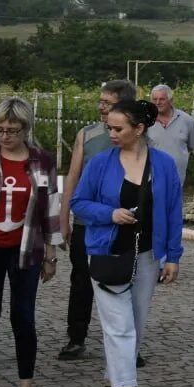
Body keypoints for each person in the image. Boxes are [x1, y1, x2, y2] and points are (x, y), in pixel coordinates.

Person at [70, 99, 183, 387]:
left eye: (118, 128)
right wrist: (109, 214)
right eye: (109, 127)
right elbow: (79, 202)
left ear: (139, 129)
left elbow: (174, 210)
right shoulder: (101, 163)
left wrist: (173, 255)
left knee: (135, 324)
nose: (112, 133)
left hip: (147, 255)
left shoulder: (163, 165)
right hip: (107, 254)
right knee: (119, 327)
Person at [58, 79, 136, 361]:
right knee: (81, 281)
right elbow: (73, 176)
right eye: (100, 102)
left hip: (124, 224)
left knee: (123, 283)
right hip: (86, 222)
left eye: (108, 102)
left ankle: (126, 343)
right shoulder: (87, 135)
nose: (101, 107)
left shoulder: (139, 137)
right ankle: (76, 337)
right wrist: (64, 218)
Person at [0, 97, 61, 387]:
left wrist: (51, 253)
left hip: (26, 248)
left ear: (26, 129)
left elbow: (51, 208)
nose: (5, 136)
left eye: (12, 130)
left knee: (23, 318)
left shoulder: (41, 161)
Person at [146, 84, 194, 184]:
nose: (157, 102)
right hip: (151, 178)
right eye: (154, 99)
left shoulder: (186, 120)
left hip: (177, 178)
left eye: (162, 99)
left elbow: (191, 146)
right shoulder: (145, 121)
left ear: (171, 101)